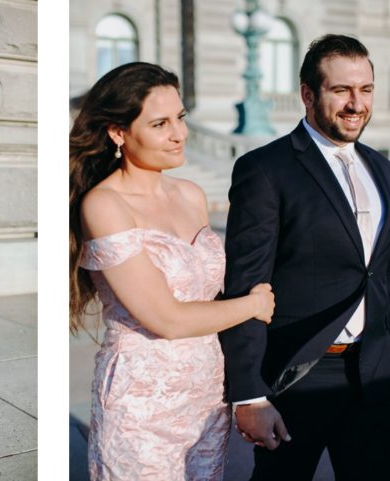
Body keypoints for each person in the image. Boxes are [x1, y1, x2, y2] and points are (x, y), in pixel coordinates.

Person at [69, 62, 275, 480]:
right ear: (118, 133)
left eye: (180, 117)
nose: (179, 134)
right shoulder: (105, 205)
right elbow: (168, 319)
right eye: (160, 123)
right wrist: (252, 304)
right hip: (140, 403)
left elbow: (209, 298)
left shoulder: (191, 194)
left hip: (206, 399)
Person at [220, 34, 390, 479]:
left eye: (366, 90)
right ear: (308, 94)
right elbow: (245, 286)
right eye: (341, 90)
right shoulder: (265, 169)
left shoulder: (383, 169)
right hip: (299, 375)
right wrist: (249, 395)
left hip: (376, 375)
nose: (356, 104)